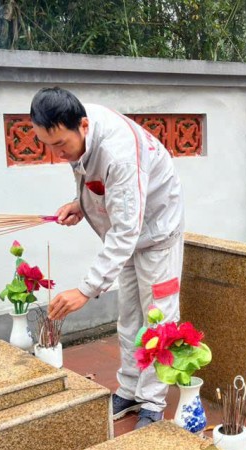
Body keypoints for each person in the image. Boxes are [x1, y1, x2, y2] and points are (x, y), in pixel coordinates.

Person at [32, 87, 184, 430]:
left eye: (60, 145)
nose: (57, 154)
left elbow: (127, 229)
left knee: (158, 318)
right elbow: (100, 182)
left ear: (83, 126)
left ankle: (153, 401)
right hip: (125, 233)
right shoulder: (78, 127)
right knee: (129, 316)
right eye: (48, 145)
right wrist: (81, 204)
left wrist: (86, 290)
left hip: (157, 233)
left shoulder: (119, 153)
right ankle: (130, 391)